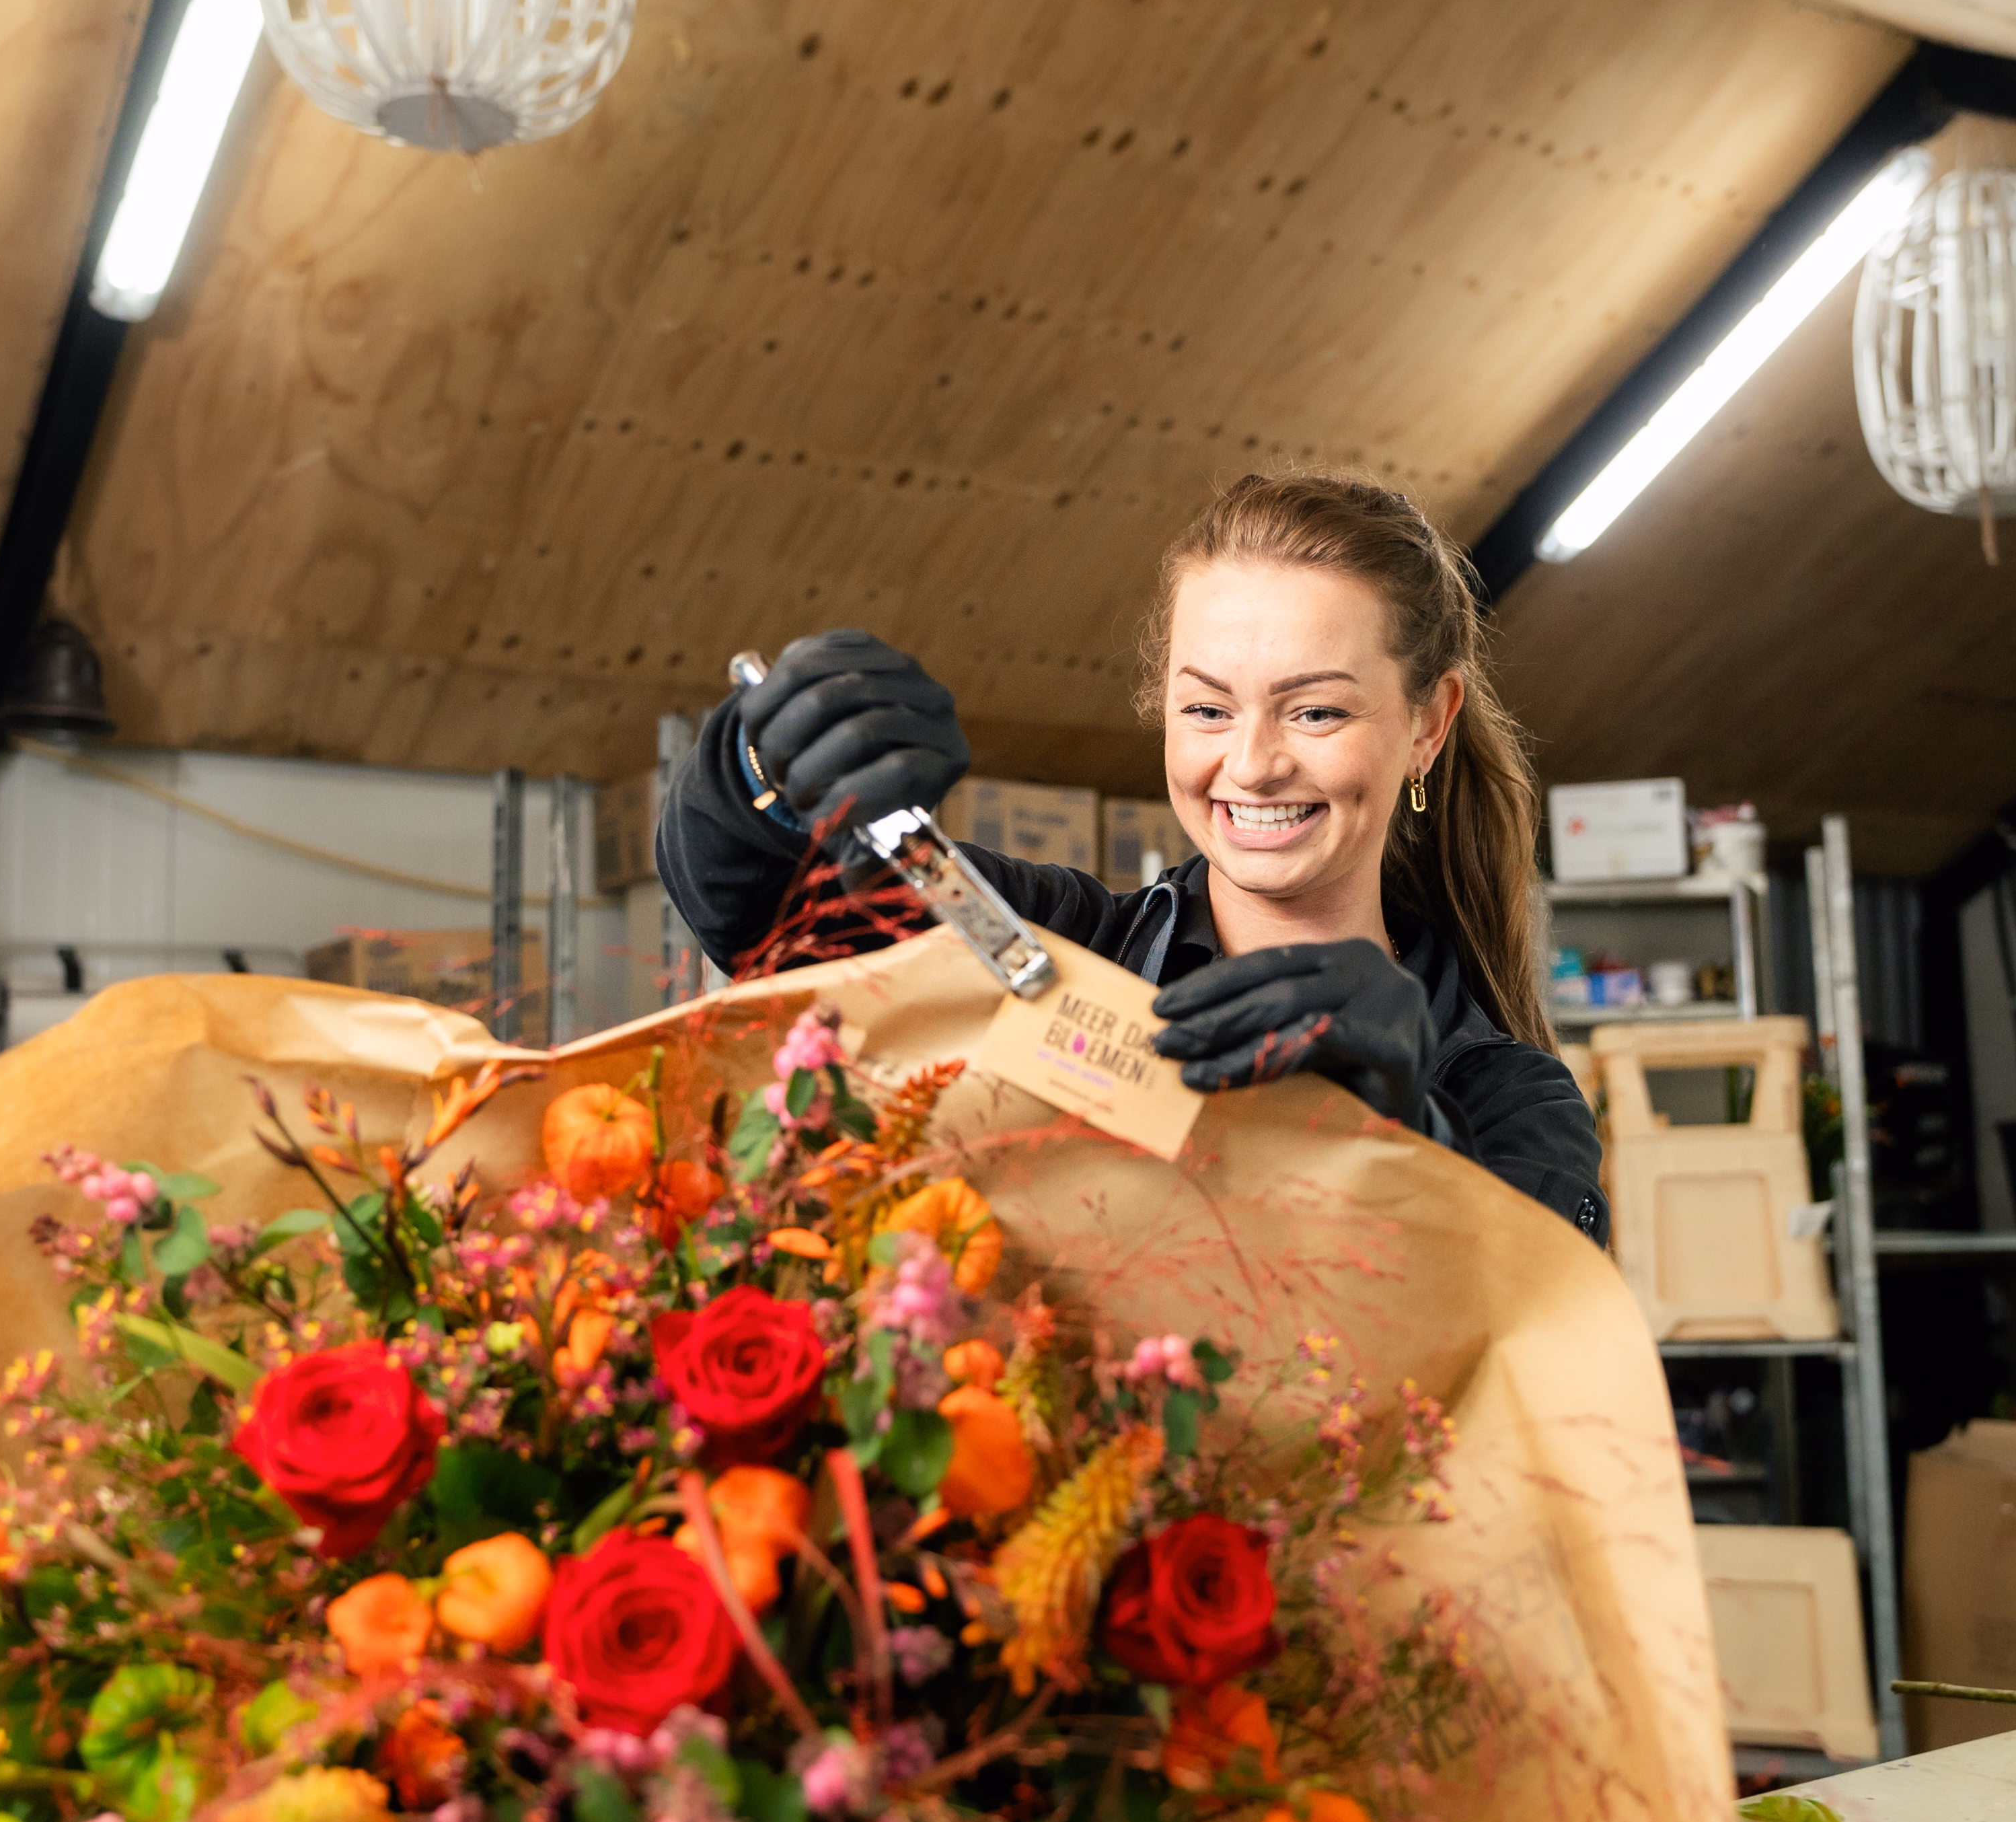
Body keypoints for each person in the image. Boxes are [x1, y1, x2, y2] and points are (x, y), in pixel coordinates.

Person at [655, 471, 1606, 1243]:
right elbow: (767, 920)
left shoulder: (1509, 1097)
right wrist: (763, 765)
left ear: (1428, 725)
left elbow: (1520, 1365)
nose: (1254, 763)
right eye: (1208, 709)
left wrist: (1408, 1138)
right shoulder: (1049, 944)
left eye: (1316, 710)